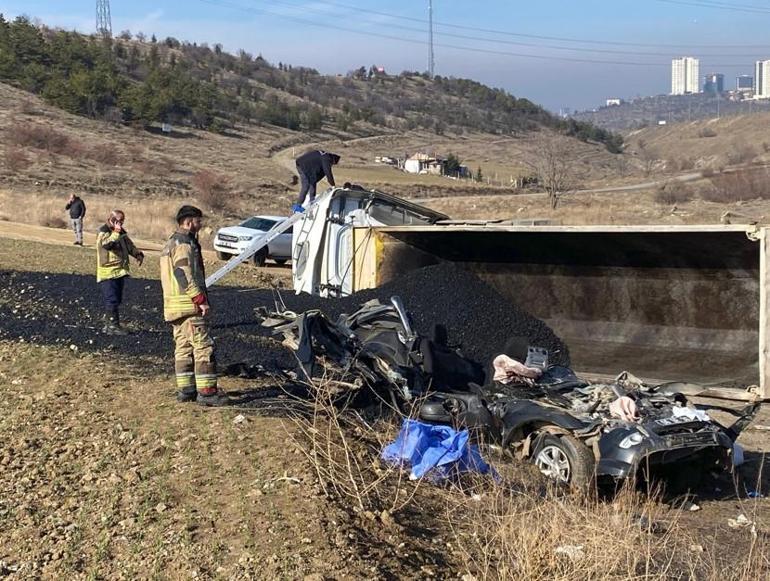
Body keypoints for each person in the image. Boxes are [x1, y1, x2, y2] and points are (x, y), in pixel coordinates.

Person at [160, 205, 229, 406]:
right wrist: (200, 300)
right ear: (189, 222)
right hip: (189, 306)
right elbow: (183, 273)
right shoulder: (183, 244)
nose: (200, 225)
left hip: (174, 307)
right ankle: (207, 393)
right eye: (198, 221)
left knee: (182, 349)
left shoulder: (170, 243)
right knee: (203, 347)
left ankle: (186, 390)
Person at [96, 210, 144, 335]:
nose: (121, 223)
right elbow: (107, 245)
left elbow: (128, 245)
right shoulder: (104, 232)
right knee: (111, 298)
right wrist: (116, 232)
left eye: (122, 220)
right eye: (119, 220)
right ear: (111, 219)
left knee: (117, 298)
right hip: (108, 272)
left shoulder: (120, 232)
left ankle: (109, 324)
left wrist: (137, 254)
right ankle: (112, 325)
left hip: (119, 271)